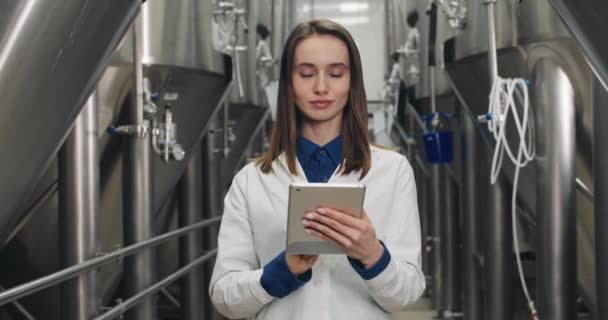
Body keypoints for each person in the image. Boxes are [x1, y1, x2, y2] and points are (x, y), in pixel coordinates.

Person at [209, 19, 425, 320]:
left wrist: (372, 254)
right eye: (306, 73)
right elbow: (224, 296)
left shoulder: (392, 171)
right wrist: (280, 271)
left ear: (352, 82)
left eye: (336, 73)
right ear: (289, 84)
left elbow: (407, 292)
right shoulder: (251, 180)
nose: (321, 87)